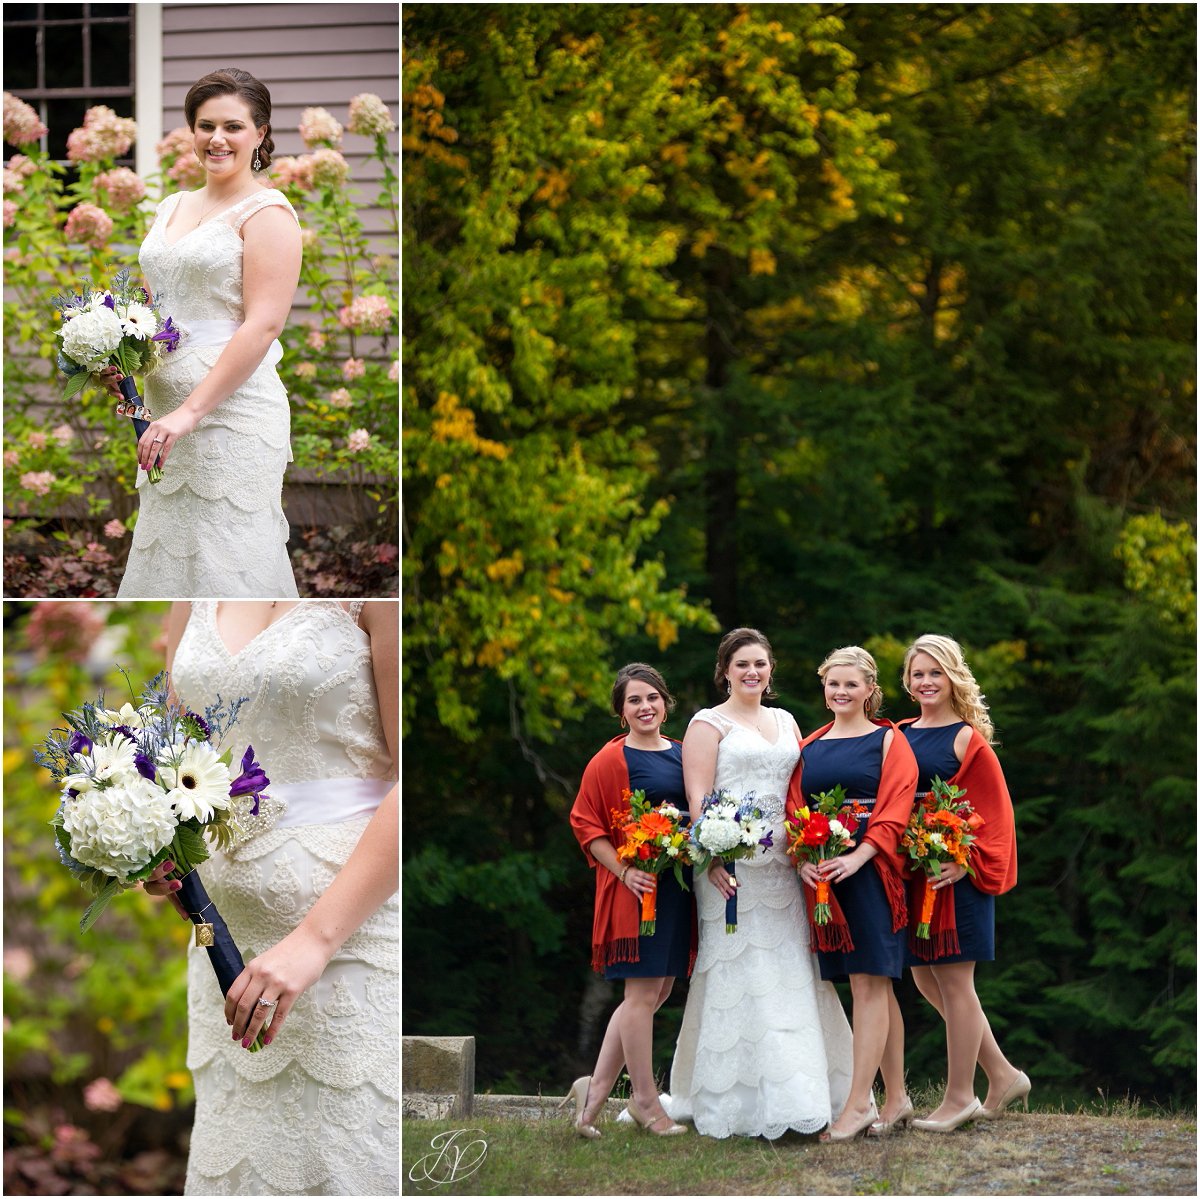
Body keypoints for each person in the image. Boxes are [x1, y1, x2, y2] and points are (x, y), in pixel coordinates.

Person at [144, 600, 398, 1194]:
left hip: (348, 945)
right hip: (222, 948)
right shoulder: (194, 591)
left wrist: (313, 940)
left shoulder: (378, 595)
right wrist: (158, 849)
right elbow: (175, 761)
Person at [109, 67, 303, 597]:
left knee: (228, 551)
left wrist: (188, 414)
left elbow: (263, 324)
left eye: (233, 126)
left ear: (260, 133)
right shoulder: (172, 204)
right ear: (192, 131)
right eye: (205, 125)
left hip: (229, 412)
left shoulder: (268, 214)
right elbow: (157, 305)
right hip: (160, 406)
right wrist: (121, 360)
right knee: (169, 546)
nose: (217, 138)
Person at [665, 629, 854, 1139]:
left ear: (771, 670)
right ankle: (743, 1103)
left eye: (761, 664)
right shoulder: (708, 724)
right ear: (725, 669)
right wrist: (712, 857)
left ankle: (808, 1093)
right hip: (732, 868)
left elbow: (796, 789)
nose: (752, 672)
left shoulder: (786, 720)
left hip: (784, 866)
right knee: (742, 969)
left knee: (794, 967)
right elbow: (699, 797)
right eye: (742, 664)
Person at [785, 645, 918, 1141]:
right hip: (824, 874)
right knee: (873, 986)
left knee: (870, 983)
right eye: (832, 684)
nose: (841, 692)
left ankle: (859, 1104)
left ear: (869, 691)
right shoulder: (810, 745)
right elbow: (794, 805)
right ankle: (898, 1097)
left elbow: (897, 805)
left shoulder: (888, 742)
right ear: (824, 688)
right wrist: (802, 859)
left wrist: (859, 856)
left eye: (851, 685)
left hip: (870, 872)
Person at [897, 634, 1026, 1133]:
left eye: (935, 672)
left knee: (955, 982)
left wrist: (963, 860)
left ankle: (959, 1097)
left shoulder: (965, 738)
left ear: (953, 677)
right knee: (925, 978)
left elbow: (995, 814)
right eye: (917, 674)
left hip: (956, 877)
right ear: (907, 683)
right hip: (917, 874)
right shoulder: (901, 733)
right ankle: (1002, 1073)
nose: (926, 681)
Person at [566, 664, 695, 1137]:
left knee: (656, 992)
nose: (645, 707)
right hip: (636, 891)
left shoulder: (683, 753)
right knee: (640, 994)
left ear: (666, 702)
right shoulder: (610, 759)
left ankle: (593, 1094)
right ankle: (644, 1101)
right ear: (621, 712)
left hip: (677, 889)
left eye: (652, 698)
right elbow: (586, 822)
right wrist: (624, 871)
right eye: (634, 701)